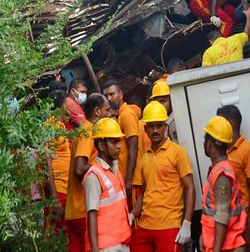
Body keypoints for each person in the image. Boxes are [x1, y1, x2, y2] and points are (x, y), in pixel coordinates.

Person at [130, 101, 195, 252]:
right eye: (151, 126)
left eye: (159, 125)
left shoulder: (178, 152)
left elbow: (190, 188)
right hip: (145, 225)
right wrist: (132, 214)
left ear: (165, 127)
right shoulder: (145, 157)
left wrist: (187, 223)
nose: (155, 130)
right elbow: (144, 193)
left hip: (169, 225)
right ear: (145, 129)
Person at [64, 93, 111, 252]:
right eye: (107, 110)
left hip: (73, 210)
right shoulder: (88, 131)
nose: (109, 114)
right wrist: (103, 170)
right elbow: (79, 168)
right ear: (97, 111)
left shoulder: (84, 128)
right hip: (81, 209)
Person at [83, 118, 132, 252]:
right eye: (113, 142)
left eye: (119, 141)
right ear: (101, 145)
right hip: (106, 247)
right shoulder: (94, 176)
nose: (119, 146)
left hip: (121, 242)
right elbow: (91, 215)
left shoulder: (115, 170)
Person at [200, 117, 247, 252]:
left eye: (205, 139)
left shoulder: (222, 175)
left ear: (209, 144)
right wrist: (204, 235)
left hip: (228, 247)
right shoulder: (219, 170)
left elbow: (222, 215)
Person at [216, 106, 250, 251]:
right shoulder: (223, 151)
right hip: (226, 219)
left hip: (243, 219)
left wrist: (249, 231)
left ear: (229, 124)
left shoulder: (248, 151)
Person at [102, 81, 140, 198]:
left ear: (121, 94)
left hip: (133, 180)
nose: (109, 98)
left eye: (112, 94)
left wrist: (128, 179)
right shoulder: (120, 115)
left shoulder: (127, 114)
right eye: (106, 96)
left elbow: (133, 148)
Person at [44, 89, 71, 234]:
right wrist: (54, 196)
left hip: (65, 187)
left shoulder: (60, 125)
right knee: (56, 233)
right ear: (63, 105)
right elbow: (46, 163)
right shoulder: (49, 127)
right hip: (58, 189)